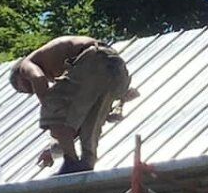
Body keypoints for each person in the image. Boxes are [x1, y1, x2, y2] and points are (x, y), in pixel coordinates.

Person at [9, 36, 135, 174]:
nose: (29, 91)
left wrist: (48, 105)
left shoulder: (26, 65)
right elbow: (72, 125)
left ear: (19, 76)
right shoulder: (70, 74)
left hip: (93, 59)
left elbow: (38, 79)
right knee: (90, 122)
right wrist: (53, 151)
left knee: (54, 115)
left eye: (22, 88)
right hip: (115, 66)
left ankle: (71, 161)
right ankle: (87, 163)